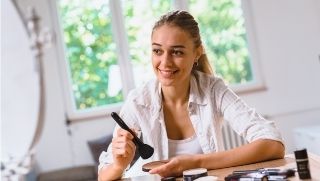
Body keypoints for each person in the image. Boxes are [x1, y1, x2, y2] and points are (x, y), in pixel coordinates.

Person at [98, 10, 285, 181]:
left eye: (177, 52)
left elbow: (273, 144)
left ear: (197, 53)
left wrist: (194, 163)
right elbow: (103, 176)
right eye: (157, 51)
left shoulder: (213, 90)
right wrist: (118, 165)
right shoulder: (138, 101)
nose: (165, 62)